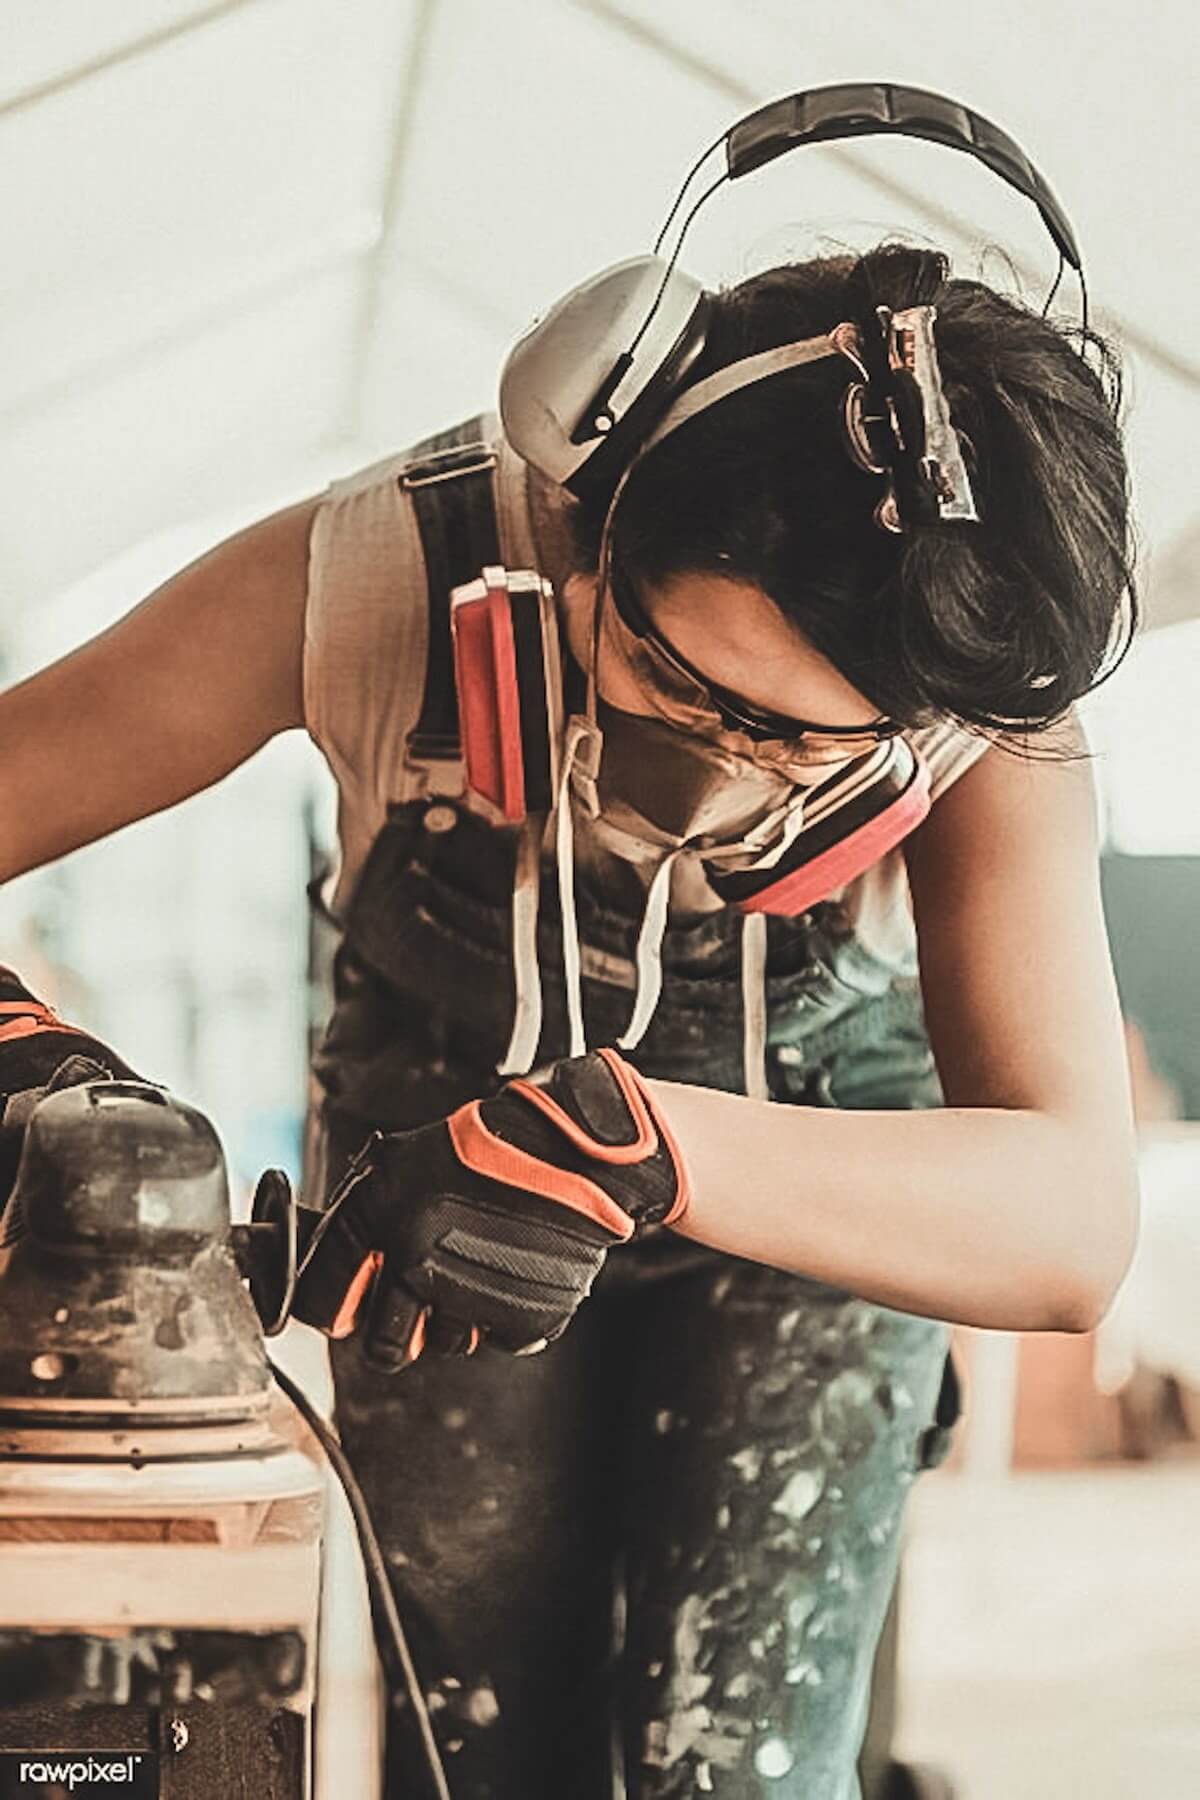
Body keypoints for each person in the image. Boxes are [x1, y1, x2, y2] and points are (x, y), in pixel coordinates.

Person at [0, 96, 1140, 1799]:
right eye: (683, 683)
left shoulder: (976, 704)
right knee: (477, 1746)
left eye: (804, 746)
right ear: (594, 508)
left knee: (735, 1768)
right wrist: (38, 1073)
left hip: (818, 1176)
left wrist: (642, 1141)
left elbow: (1073, 1227)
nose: (729, 767)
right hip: (429, 1175)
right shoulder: (379, 571)